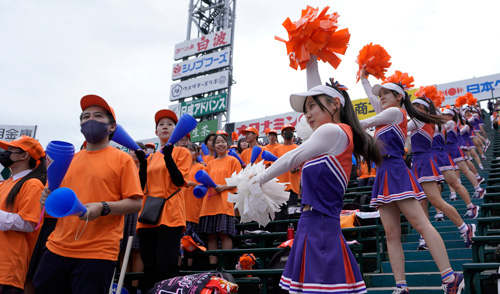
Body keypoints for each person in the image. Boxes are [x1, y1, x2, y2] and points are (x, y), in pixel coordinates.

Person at [253, 57, 381, 293]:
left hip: (320, 226)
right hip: (311, 224)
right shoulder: (331, 135)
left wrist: (254, 180)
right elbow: (318, 93)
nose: (307, 114)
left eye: (312, 107)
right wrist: (311, 61)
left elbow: (292, 157)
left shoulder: (333, 131)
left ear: (334, 105)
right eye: (306, 109)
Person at [360, 70, 465, 293]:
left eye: (387, 93)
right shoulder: (387, 115)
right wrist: (363, 77)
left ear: (399, 96)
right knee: (391, 233)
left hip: (397, 170)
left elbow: (365, 121)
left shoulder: (396, 114)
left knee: (421, 224)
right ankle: (401, 286)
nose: (382, 97)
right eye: (381, 94)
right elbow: (371, 99)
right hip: (383, 172)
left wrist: (341, 122)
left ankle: (450, 277)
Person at [34, 95, 143, 294]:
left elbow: (136, 203)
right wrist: (45, 200)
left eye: (98, 116)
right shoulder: (68, 160)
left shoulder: (123, 159)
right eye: (85, 117)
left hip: (98, 252)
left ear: (112, 127)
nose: (90, 120)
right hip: (56, 247)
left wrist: (103, 207)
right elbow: (52, 205)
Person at [409, 97, 476, 251]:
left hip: (425, 161)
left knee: (436, 201)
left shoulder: (421, 120)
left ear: (423, 108)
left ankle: (465, 228)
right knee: (421, 203)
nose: (412, 109)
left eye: (415, 106)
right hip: (418, 162)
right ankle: (425, 237)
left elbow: (401, 126)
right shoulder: (420, 120)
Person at [136, 109, 191, 292]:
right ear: (156, 131)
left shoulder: (182, 152)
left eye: (169, 123)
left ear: (176, 130)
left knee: (165, 264)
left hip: (170, 215)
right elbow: (141, 185)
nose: (165, 126)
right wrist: (143, 164)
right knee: (149, 266)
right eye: (161, 124)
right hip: (148, 216)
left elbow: (178, 181)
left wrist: (168, 156)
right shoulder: (151, 157)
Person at [0, 136, 46, 294]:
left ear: (24, 155)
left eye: (10, 150)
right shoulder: (6, 183)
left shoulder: (33, 184)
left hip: (8, 268)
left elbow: (29, 223)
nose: (5, 153)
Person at [197, 134, 242, 268]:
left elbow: (239, 181)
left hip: (225, 201)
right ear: (214, 146)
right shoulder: (210, 163)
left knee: (224, 235)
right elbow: (205, 182)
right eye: (218, 142)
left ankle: (226, 265)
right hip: (210, 203)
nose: (220, 144)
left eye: (223, 142)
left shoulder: (233, 161)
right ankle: (213, 265)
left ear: (227, 144)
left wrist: (224, 187)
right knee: (211, 236)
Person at [119, 142, 147, 294]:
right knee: (123, 250)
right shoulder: (124, 168)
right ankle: (123, 285)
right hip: (124, 210)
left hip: (140, 210)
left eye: (138, 150)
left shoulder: (146, 168)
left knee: (136, 250)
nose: (135, 152)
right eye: (132, 150)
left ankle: (135, 286)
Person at [442, 108, 486, 199]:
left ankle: (479, 189)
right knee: (450, 172)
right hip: (446, 149)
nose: (443, 116)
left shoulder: (451, 123)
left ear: (451, 116)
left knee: (465, 170)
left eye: (445, 115)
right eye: (443, 114)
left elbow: (440, 128)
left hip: (453, 148)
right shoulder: (447, 123)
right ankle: (453, 194)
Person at [182, 142, 205, 269]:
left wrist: (191, 183)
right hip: (180, 206)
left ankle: (189, 266)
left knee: (191, 237)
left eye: (192, 150)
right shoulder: (181, 167)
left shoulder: (201, 167)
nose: (190, 153)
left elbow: (205, 186)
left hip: (193, 205)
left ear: (197, 154)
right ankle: (180, 264)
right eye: (187, 150)